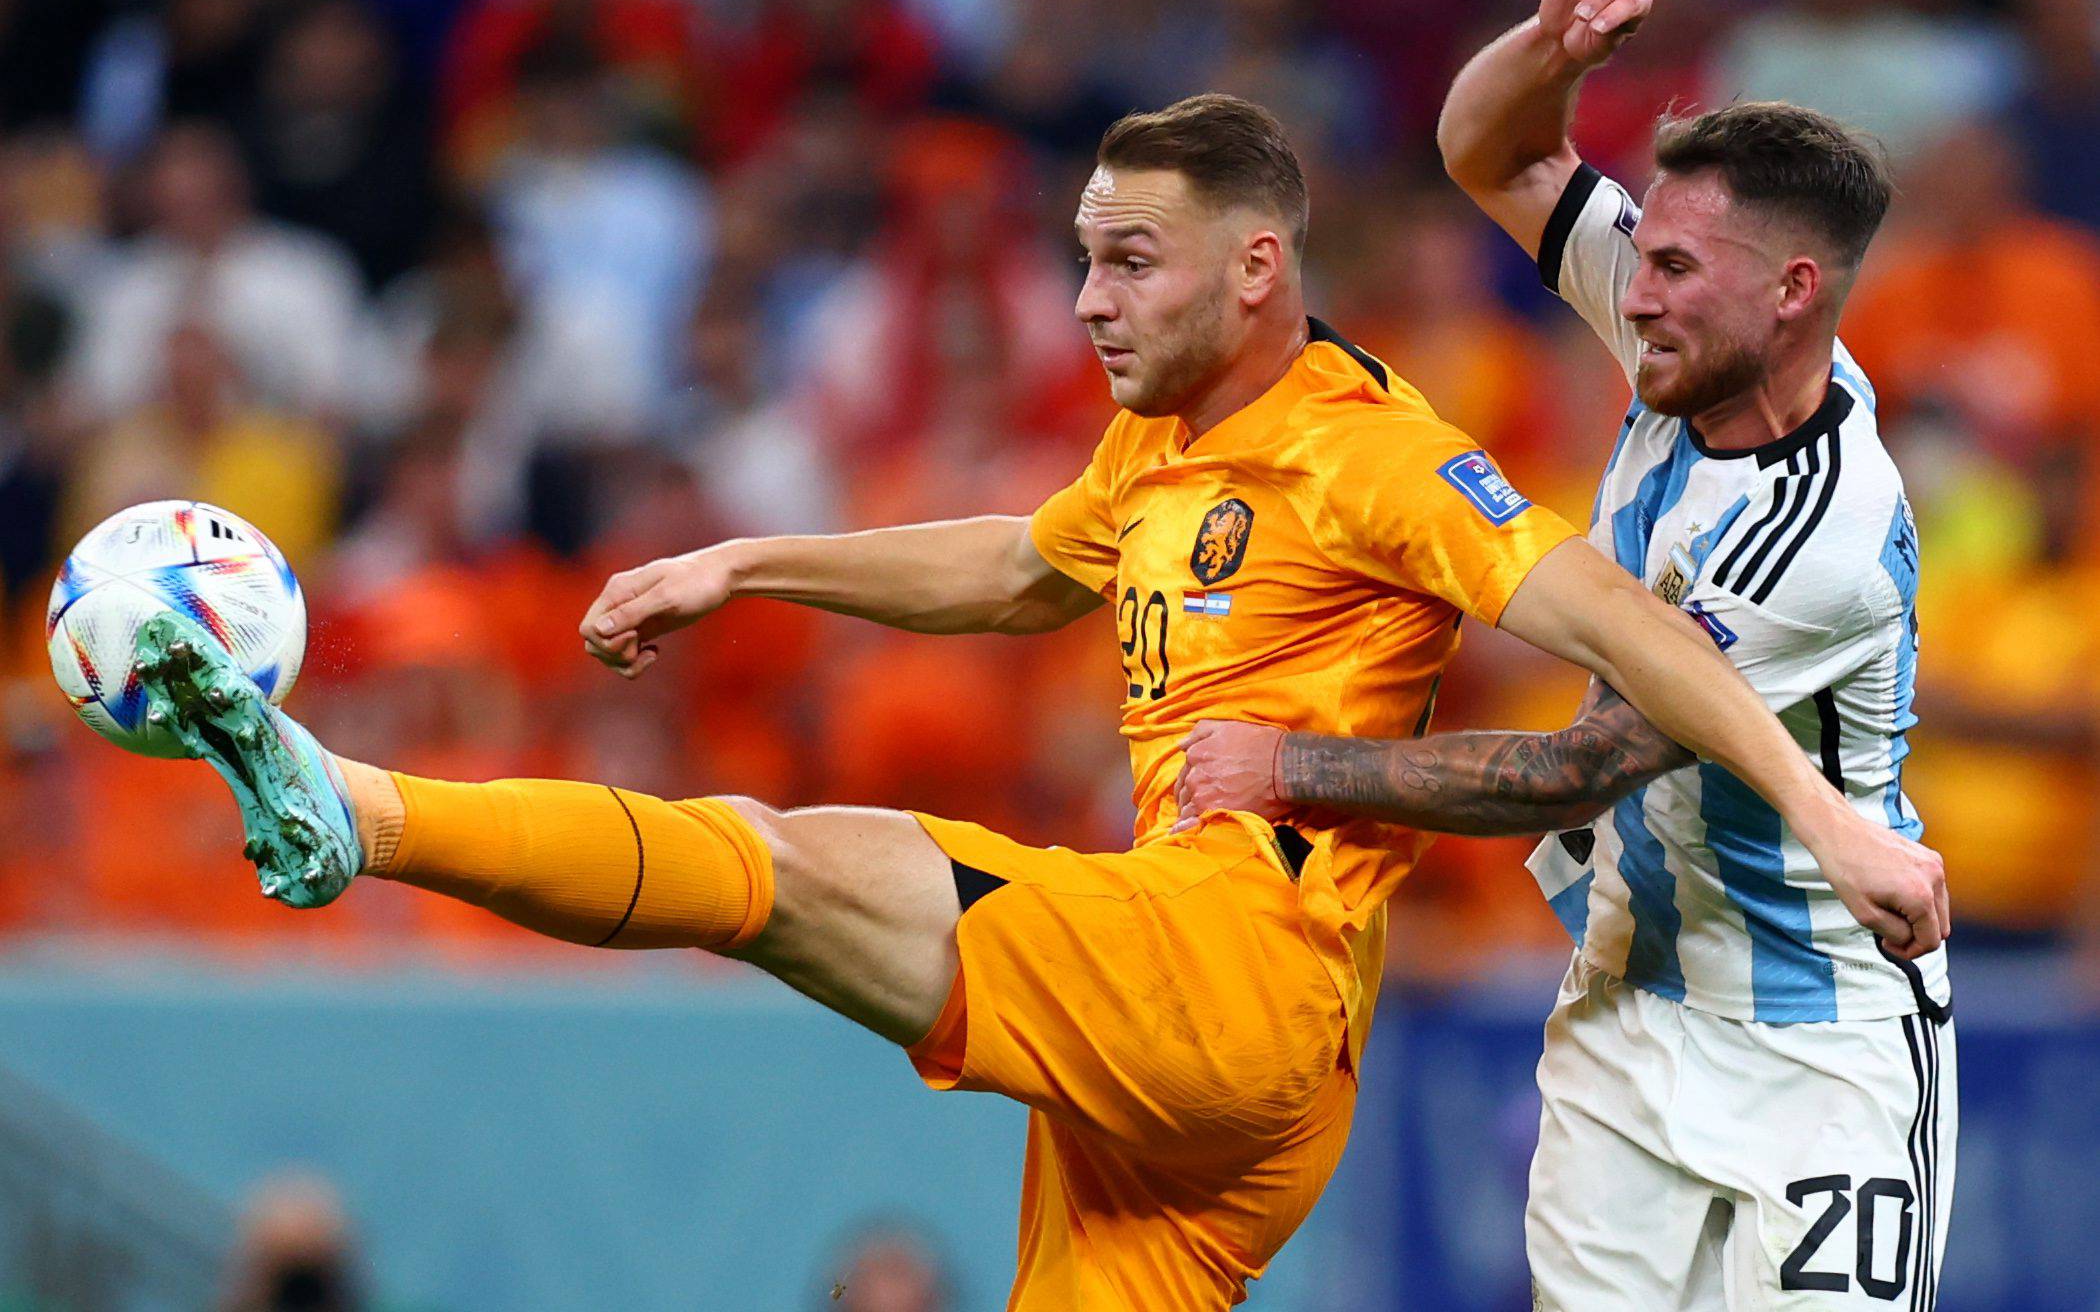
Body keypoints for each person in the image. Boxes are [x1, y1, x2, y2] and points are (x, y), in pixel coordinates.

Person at [121, 93, 1943, 1311]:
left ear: (1256, 267)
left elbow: (1627, 627)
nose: (1084, 300)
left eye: (1126, 260)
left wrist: (1830, 812)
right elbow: (1017, 566)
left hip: (1236, 962)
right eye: (1081, 257)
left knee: (787, 862)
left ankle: (363, 813)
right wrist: (748, 565)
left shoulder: (1376, 456)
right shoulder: (1161, 445)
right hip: (1201, 1091)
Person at [1177, 0, 1955, 1310]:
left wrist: (1289, 766)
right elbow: (1486, 153)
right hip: (1627, 1002)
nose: (1632, 291)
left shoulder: (1815, 535)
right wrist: (1549, 52)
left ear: (1793, 296)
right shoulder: (1686, 351)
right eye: (1637, 254)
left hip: (1819, 1043)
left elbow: (1576, 768)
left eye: (1673, 267)